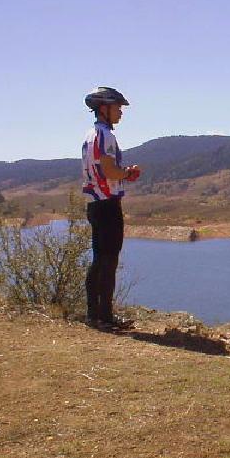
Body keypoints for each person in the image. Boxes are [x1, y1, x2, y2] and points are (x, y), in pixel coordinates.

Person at [81, 86, 141, 330]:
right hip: (107, 205)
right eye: (117, 107)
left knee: (99, 259)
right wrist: (128, 173)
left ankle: (94, 314)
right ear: (103, 109)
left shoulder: (90, 135)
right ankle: (104, 318)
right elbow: (109, 170)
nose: (120, 112)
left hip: (95, 204)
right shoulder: (105, 135)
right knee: (108, 261)